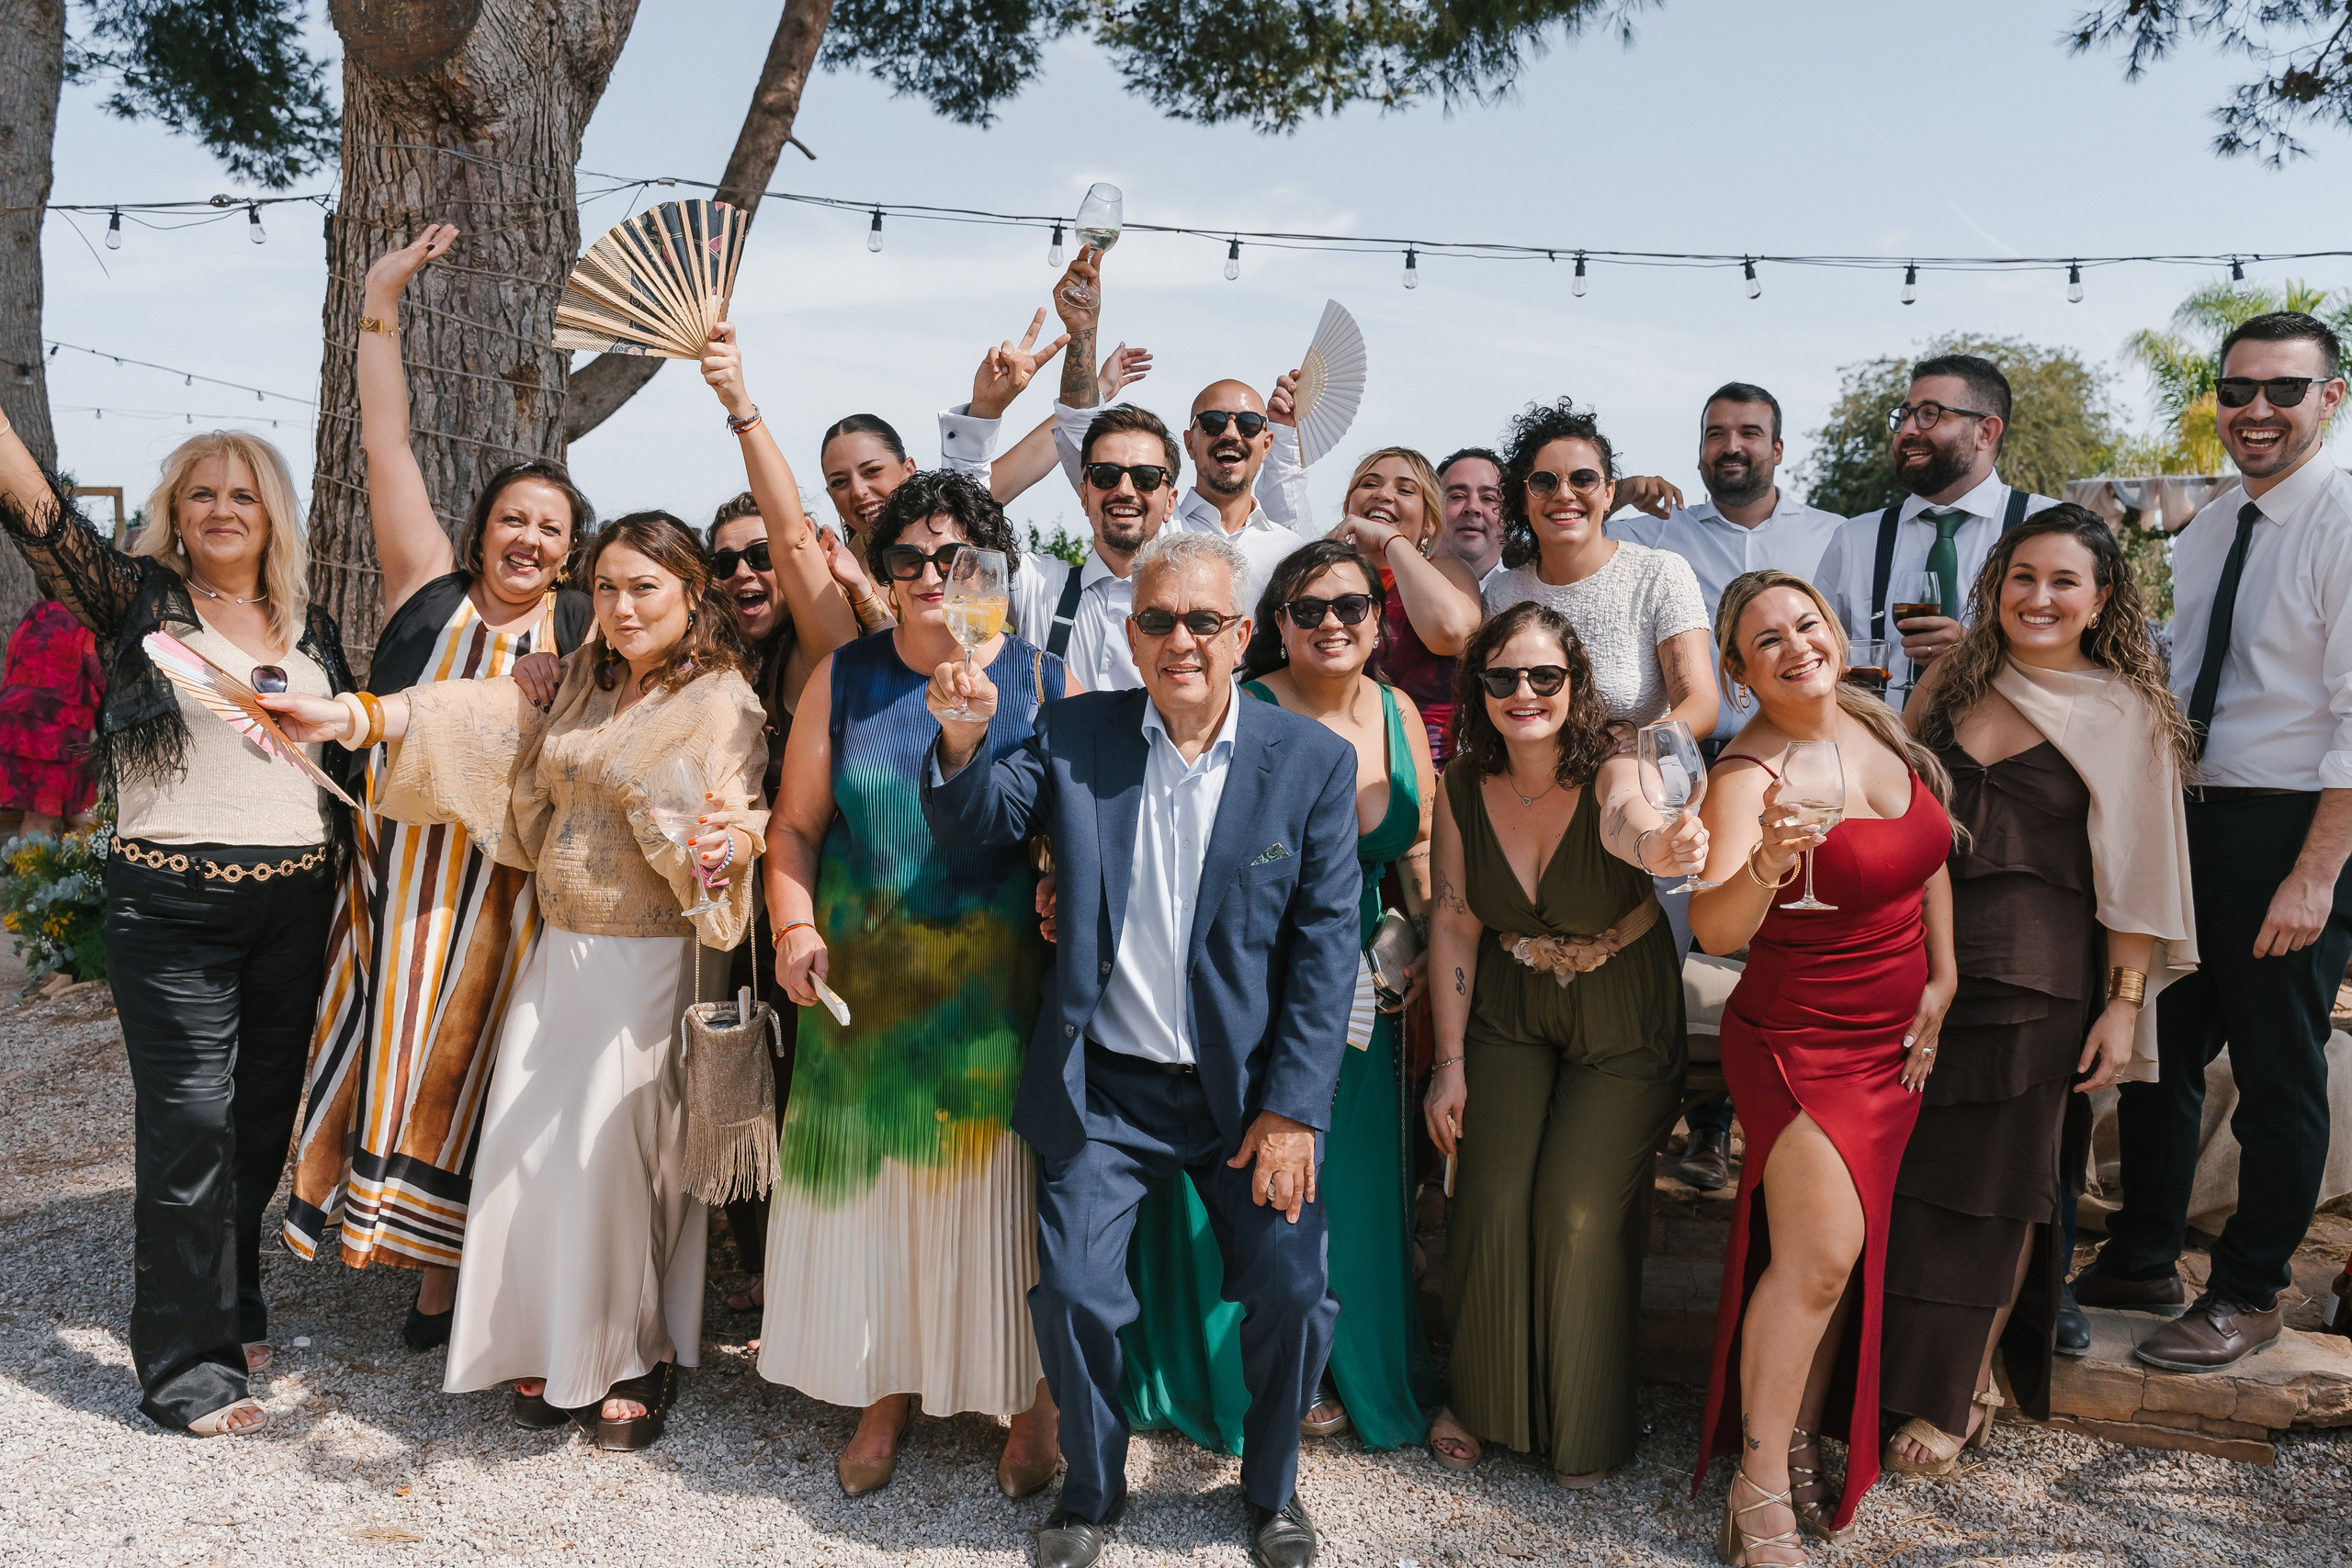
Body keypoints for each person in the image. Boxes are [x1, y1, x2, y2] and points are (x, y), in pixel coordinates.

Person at [270, 511, 768, 1450]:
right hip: (559, 953)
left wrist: (720, 845)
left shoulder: (721, 699)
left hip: (651, 960)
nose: (620, 607)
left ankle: (631, 1353)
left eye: (644, 588)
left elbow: (743, 815)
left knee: (617, 1162)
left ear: (693, 592)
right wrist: (351, 716)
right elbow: (476, 715)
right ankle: (549, 1332)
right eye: (608, 587)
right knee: (538, 1154)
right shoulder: (581, 677)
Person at [922, 529, 1359, 1568]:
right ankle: (1092, 1484)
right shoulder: (1078, 734)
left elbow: (1325, 948)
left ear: (1241, 633)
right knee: (1072, 1291)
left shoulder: (1309, 763)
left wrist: (1294, 1109)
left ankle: (1271, 1487)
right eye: (1158, 620)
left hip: (1249, 1099)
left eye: (1203, 620)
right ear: (1131, 632)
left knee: (1295, 1291)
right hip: (1104, 1088)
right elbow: (977, 820)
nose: (1181, 641)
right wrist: (960, 740)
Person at [0, 423, 359, 1437]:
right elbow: (39, 518)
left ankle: (231, 1301)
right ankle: (187, 1371)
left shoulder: (310, 625)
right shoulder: (136, 604)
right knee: (192, 1123)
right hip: (170, 907)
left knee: (254, 1127)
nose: (220, 511)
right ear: (175, 509)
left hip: (295, 906)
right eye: (200, 494)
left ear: (271, 513)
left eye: (242, 495)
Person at [283, 225, 594, 1348]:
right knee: (389, 1042)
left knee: (480, 1066)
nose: (527, 537)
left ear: (570, 554)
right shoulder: (428, 588)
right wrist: (377, 302)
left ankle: (445, 1279)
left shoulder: (583, 634)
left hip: (509, 889)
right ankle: (381, 1231)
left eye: (550, 529)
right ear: (483, 529)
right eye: (513, 517)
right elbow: (385, 445)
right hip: (399, 871)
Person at [760, 470, 1069, 1498]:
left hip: (993, 994)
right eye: (908, 559)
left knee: (998, 1202)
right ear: (884, 574)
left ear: (988, 568)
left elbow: (1076, 831)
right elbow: (796, 825)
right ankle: (883, 1388)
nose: (932, 575)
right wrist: (793, 925)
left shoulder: (1040, 677)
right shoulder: (842, 677)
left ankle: (1029, 1399)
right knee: (882, 1198)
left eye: (954, 557)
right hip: (864, 991)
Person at [1880, 505, 2198, 1474]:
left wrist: (2124, 999)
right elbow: (1891, 810)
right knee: (1907, 1185)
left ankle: (1959, 1387)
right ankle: (1877, 1378)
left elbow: (2140, 872)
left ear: (2101, 601)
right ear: (1996, 585)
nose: (2040, 598)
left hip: (2037, 982)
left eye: (2064, 582)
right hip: (1915, 973)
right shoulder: (1949, 683)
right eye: (2023, 577)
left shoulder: (2124, 712)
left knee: (1998, 1190)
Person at [1116, 539, 1442, 1459]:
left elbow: (1419, 857)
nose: (1331, 623)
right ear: (1275, 626)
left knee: (1353, 1186)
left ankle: (1349, 1369)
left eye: (1350, 606)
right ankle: (1253, 1380)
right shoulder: (1246, 705)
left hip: (1373, 976)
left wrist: (1410, 946)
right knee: (1259, 1180)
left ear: (1380, 622)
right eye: (1308, 608)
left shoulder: (1398, 709)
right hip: (1256, 981)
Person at [2076, 310, 2352, 1373]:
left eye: (2284, 391)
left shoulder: (2340, 521)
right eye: (2238, 391)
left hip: (2294, 826)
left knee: (2280, 1073)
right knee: (2155, 1050)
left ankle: (2249, 1292)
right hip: (2190, 822)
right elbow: (2191, 671)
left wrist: (2315, 875)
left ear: (2329, 398)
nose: (2257, 412)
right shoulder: (2204, 530)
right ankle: (2143, 1255)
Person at [1687, 570, 1956, 1562]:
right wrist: (1761, 861)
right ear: (1738, 670)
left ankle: (1798, 1433)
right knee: (1819, 1258)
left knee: (1833, 1261)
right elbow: (1713, 927)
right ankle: (1755, 1489)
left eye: (1807, 624)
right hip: (1798, 1041)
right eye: (1766, 641)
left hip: (1893, 1042)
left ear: (1835, 631)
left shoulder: (1869, 718)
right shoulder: (1747, 777)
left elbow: (1925, 852)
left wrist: (1945, 978)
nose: (1795, 645)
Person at [1421, 603, 1709, 1485]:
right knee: (1493, 1192)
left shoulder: (1616, 757)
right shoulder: (1463, 782)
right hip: (1510, 1001)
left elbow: (1631, 820)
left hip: (1622, 1006)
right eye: (1503, 677)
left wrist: (1661, 842)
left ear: (1575, 685)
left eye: (1545, 676)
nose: (1524, 693)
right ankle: (1483, 1398)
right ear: (1480, 689)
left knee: (1577, 1207)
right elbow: (1457, 919)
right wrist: (1449, 1064)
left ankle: (1585, 1423)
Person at [1605, 381, 1844, 1191]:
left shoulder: (1833, 535)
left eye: (1749, 433)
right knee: (1699, 934)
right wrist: (1618, 492)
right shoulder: (1653, 532)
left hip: (1802, 758)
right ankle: (1701, 1128)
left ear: (1780, 448)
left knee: (1784, 938)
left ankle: (1786, 1119)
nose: (1730, 446)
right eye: (1715, 434)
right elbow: (1569, 543)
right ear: (1699, 448)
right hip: (1689, 761)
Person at [695, 321, 868, 1316]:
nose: (746, 573)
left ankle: (821, 1294)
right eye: (724, 564)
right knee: (738, 1087)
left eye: (759, 553)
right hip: (729, 916)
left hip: (818, 907)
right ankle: (764, 1279)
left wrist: (740, 405)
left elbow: (795, 536)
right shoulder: (715, 663)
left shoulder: (820, 648)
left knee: (813, 1098)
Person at [1809, 354, 2058, 695]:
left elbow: (2088, 663)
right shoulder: (1855, 539)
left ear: (1985, 432)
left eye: (1930, 414)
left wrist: (1977, 653)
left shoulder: (2052, 529)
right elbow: (1815, 654)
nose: (1908, 430)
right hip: (1883, 744)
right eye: (1905, 416)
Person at [1482, 400, 1718, 739]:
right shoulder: (1502, 595)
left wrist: (1640, 744)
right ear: (1523, 500)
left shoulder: (1660, 574)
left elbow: (1701, 703)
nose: (1564, 494)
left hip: (1638, 780)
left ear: (1609, 494)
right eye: (1544, 482)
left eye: (1583, 479)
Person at [1328, 447, 1486, 759]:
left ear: (1429, 522)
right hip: (1331, 761)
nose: (1383, 495)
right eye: (1370, 484)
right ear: (1350, 507)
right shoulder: (1322, 580)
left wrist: (1389, 541)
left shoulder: (1448, 571)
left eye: (1405, 490)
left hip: (1420, 771)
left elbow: (1452, 632)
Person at [0, 597, 104, 837]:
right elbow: (100, 671)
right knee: (44, 818)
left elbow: (12, 657)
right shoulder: (88, 618)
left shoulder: (38, 609)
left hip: (22, 719)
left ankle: (68, 872)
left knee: (79, 814)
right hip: (52, 729)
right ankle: (43, 875)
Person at [1436, 447, 1509, 588]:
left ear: (1509, 516)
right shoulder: (1399, 585)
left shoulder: (1529, 597)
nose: (1472, 507)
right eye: (1457, 496)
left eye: (1488, 498)